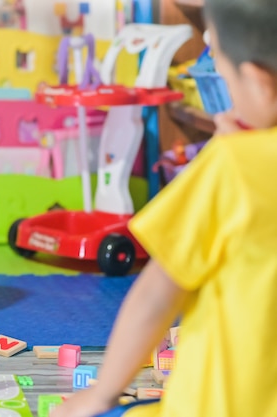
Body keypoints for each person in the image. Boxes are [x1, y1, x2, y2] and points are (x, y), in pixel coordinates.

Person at [51, 0, 277, 415]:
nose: (224, 107)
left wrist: (102, 394)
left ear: (260, 83)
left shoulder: (232, 166)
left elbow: (156, 293)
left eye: (224, 79)